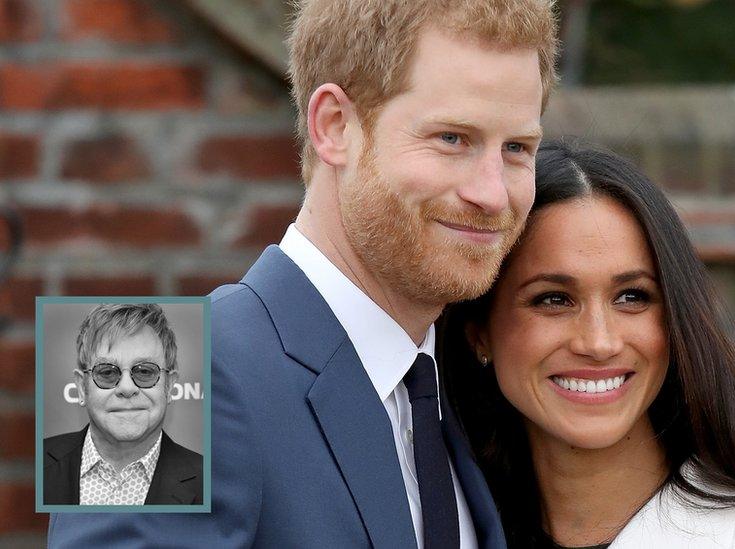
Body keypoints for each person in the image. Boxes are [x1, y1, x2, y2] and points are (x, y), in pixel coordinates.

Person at [48, 0, 557, 547]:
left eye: (516, 148)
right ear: (334, 126)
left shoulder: (464, 382)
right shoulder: (153, 373)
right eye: (452, 138)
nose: (491, 192)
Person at [442, 139, 735, 548]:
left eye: (632, 297)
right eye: (553, 299)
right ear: (479, 331)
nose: (599, 342)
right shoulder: (434, 525)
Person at [44, 303, 203, 506]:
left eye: (145, 372)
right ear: (82, 387)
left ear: (170, 386)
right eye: (107, 372)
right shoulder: (37, 464)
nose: (127, 388)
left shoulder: (208, 481)